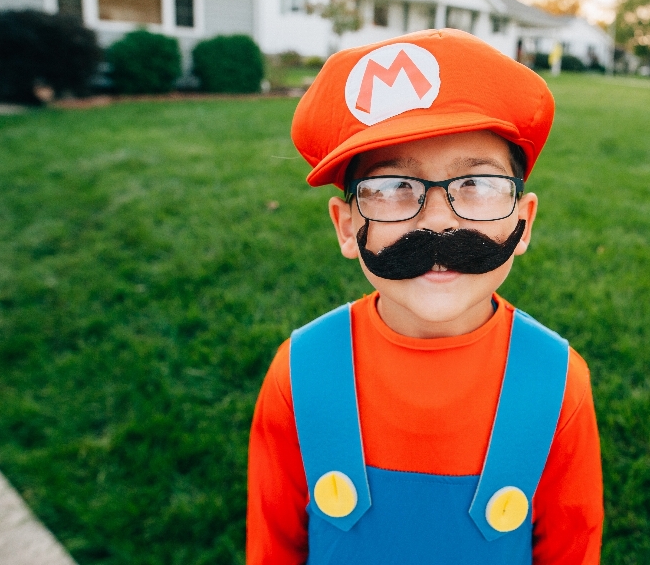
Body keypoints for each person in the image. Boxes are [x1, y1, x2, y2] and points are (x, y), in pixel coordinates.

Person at [247, 29, 603, 565]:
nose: (437, 219)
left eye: (477, 185)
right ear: (347, 227)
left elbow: (572, 550)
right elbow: (274, 547)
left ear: (523, 222)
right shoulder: (299, 373)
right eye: (392, 188)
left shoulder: (557, 382)